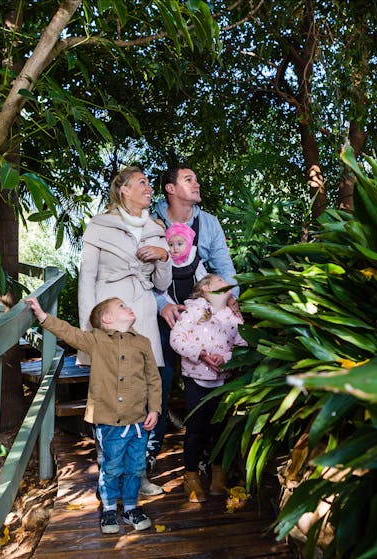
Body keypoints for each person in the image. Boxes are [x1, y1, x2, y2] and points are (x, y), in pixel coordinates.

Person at [25, 296, 162, 534]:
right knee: (111, 467)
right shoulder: (97, 341)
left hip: (139, 421)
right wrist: (42, 316)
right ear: (107, 320)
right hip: (109, 421)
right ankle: (109, 511)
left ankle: (131, 508)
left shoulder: (143, 342)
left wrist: (155, 408)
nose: (127, 306)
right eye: (121, 305)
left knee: (135, 468)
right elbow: (69, 333)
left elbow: (153, 379)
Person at [78, 166, 171, 496]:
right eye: (142, 183)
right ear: (124, 191)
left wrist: (163, 256)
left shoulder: (156, 229)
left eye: (148, 183)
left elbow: (163, 283)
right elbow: (86, 279)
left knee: (143, 392)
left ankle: (140, 474)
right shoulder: (99, 227)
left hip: (142, 314)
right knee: (109, 394)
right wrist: (89, 332)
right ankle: (109, 475)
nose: (149, 188)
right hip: (109, 312)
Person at [147, 166, 238, 477]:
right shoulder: (152, 222)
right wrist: (162, 305)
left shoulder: (207, 223)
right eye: (189, 179)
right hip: (163, 314)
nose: (197, 183)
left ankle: (208, 459)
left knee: (206, 383)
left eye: (197, 178)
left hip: (203, 317)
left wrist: (230, 301)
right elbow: (140, 274)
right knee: (159, 382)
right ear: (170, 189)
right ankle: (149, 455)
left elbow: (224, 267)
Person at [169, 274, 246, 503]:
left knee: (220, 430)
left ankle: (218, 476)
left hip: (223, 381)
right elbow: (176, 338)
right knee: (195, 430)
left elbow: (244, 345)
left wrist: (226, 357)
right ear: (205, 290)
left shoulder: (234, 317)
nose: (227, 282)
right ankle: (191, 477)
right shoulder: (194, 311)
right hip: (196, 380)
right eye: (220, 281)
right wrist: (201, 354)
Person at [163, 221, 208, 306]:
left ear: (188, 244)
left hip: (197, 303)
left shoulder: (194, 260)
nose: (175, 248)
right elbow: (163, 288)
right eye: (171, 244)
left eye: (180, 244)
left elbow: (203, 280)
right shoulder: (166, 261)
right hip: (172, 303)